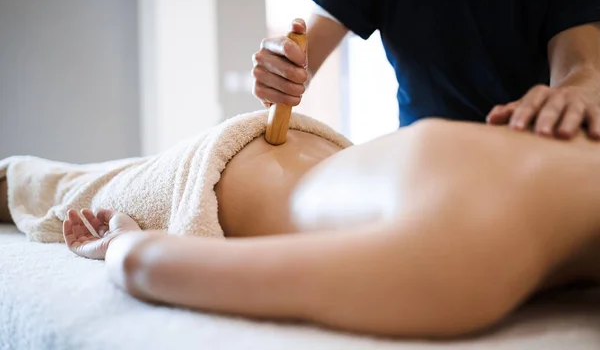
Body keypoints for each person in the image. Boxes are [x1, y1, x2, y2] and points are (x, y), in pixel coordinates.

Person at [3, 117, 599, 339]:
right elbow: (145, 264)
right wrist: (123, 237)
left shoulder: (580, 140)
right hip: (209, 177)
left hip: (290, 147)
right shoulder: (470, 256)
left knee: (45, 180)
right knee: (29, 186)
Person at [252, 0, 600, 140]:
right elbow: (303, 57)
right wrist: (283, 68)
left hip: (525, 152)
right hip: (420, 160)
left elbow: (580, 69)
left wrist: (577, 93)